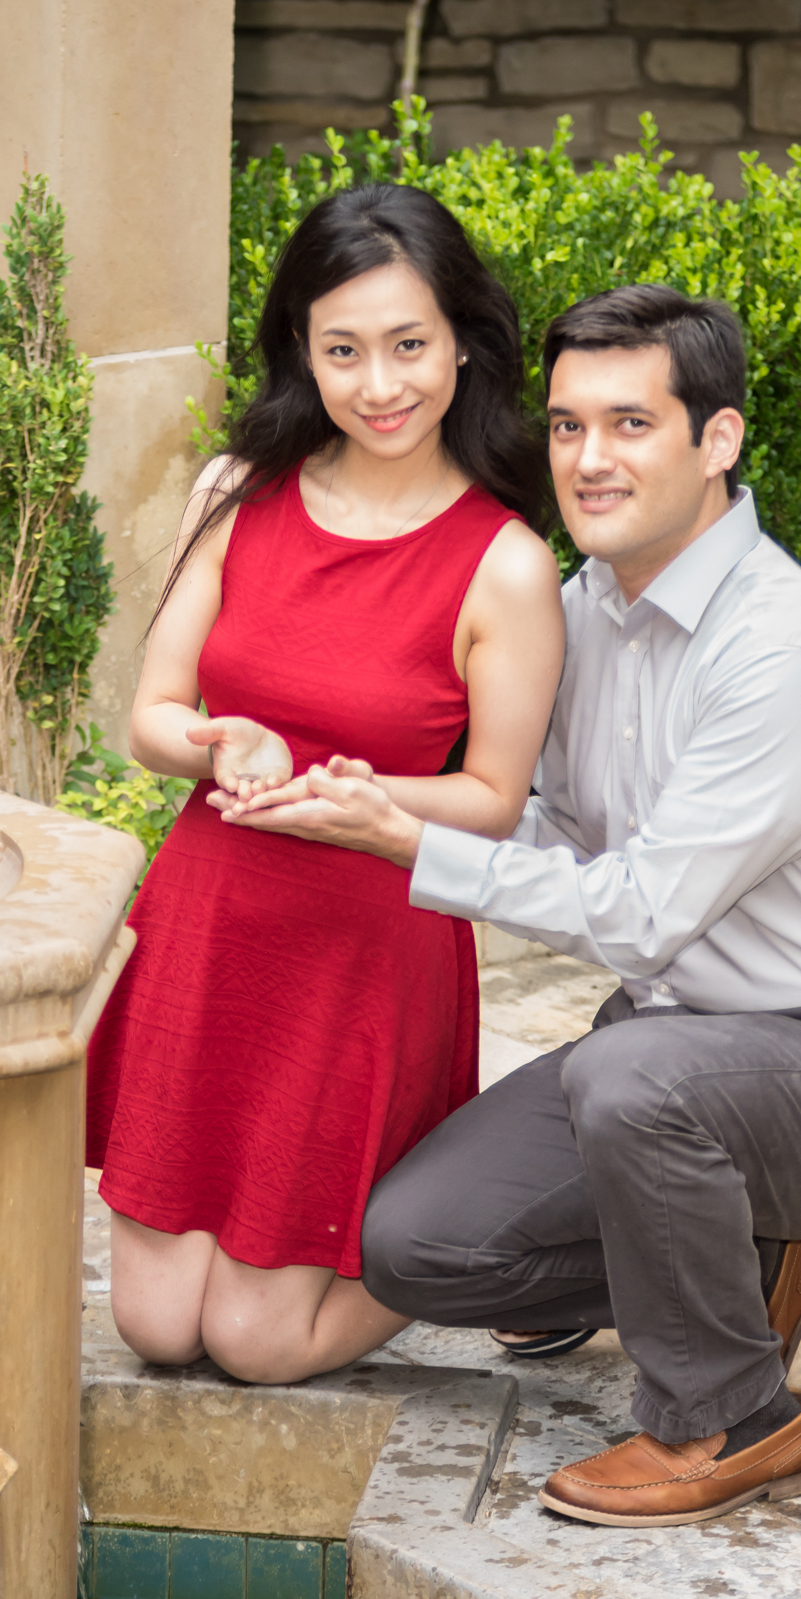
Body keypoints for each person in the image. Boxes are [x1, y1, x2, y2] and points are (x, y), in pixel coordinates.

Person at [225, 283, 801, 1525]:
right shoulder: (583, 613)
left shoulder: (780, 647)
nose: (587, 458)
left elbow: (635, 914)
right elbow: (543, 822)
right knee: (417, 1247)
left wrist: (406, 840)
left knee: (631, 1083)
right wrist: (354, 797)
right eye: (566, 427)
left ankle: (731, 1417)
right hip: (674, 1050)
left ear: (714, 441)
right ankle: (759, 1250)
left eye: (628, 425)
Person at [86, 184, 566, 1385]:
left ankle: (557, 1267)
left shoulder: (504, 563)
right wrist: (219, 746)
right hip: (209, 925)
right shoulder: (235, 489)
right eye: (341, 350)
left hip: (359, 948)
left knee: (256, 1341)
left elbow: (496, 800)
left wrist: (374, 809)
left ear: (462, 338)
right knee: (153, 1327)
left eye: (408, 345)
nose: (379, 384)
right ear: (300, 348)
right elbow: (151, 717)